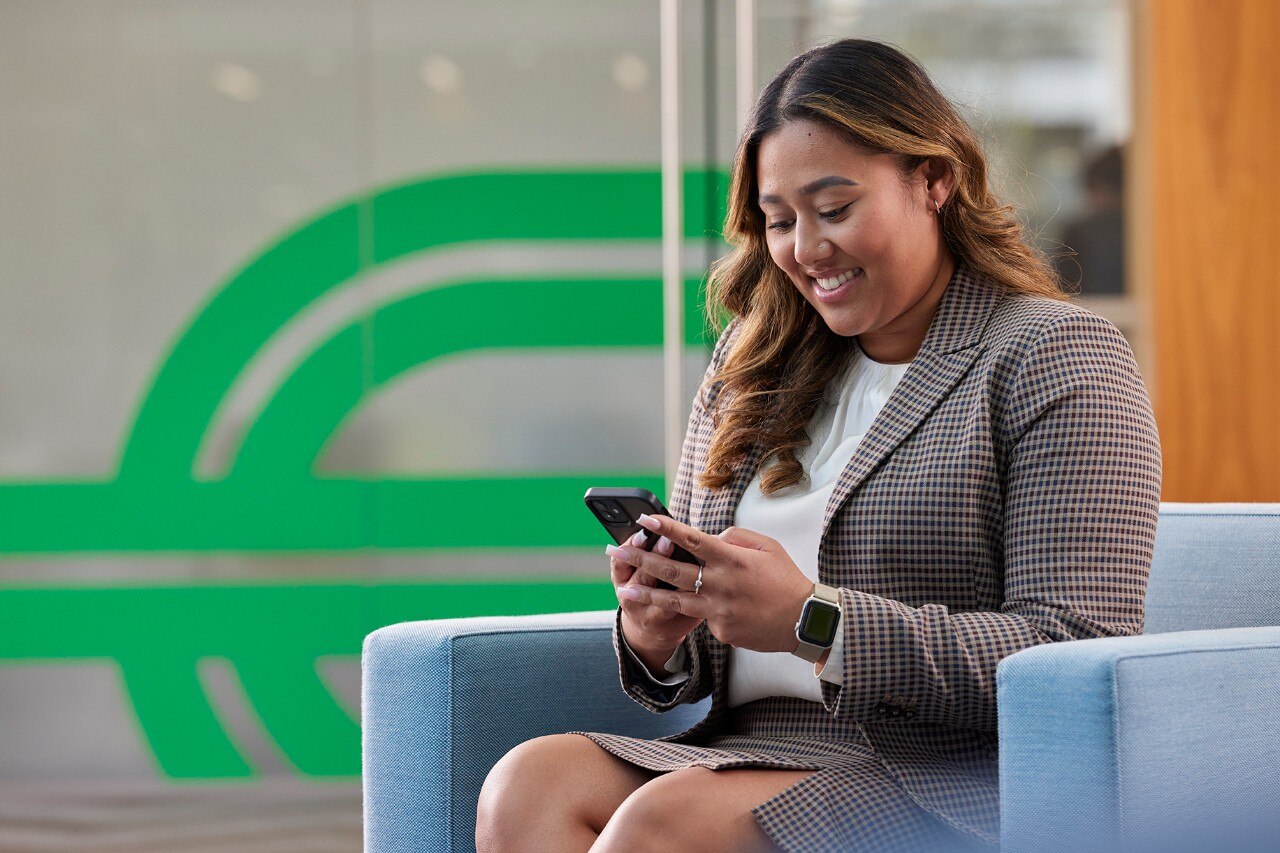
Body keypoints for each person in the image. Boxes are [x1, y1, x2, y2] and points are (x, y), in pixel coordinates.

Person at [476, 38, 1161, 853]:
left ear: (933, 180)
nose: (805, 248)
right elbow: (713, 642)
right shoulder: (751, 362)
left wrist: (815, 620)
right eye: (778, 221)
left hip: (942, 772)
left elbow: (1075, 654)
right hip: (750, 749)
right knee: (528, 783)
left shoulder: (1052, 352)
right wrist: (656, 635)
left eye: (834, 209)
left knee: (660, 825)